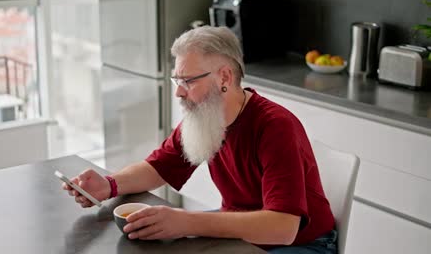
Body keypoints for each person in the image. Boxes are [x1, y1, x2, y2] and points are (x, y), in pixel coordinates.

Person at [62, 26, 337, 253]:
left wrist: (188, 222)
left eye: (188, 81)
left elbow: (283, 227)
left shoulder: (276, 127)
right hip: (242, 234)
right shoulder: (205, 117)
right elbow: (157, 167)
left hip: (303, 244)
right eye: (177, 81)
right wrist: (108, 185)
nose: (179, 93)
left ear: (224, 77)